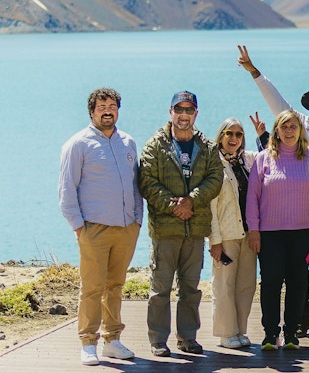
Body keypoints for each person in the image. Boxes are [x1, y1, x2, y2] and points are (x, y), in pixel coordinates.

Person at [237, 43, 309, 335]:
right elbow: (275, 101)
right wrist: (254, 72)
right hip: (301, 206)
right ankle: (303, 315)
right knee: (298, 266)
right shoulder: (298, 122)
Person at [59, 88, 142, 366]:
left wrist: (137, 220)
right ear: (92, 111)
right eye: (102, 106)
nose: (108, 110)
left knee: (115, 286)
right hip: (93, 229)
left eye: (112, 106)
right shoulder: (78, 144)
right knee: (92, 287)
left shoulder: (128, 142)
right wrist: (78, 226)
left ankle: (112, 340)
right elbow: (67, 189)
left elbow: (136, 185)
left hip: (126, 228)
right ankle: (88, 342)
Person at [138, 91, 223, 358]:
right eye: (179, 109)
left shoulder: (207, 147)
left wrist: (191, 201)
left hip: (195, 230)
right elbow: (147, 182)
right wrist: (174, 205)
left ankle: (188, 338)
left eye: (189, 110)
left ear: (196, 114)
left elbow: (215, 178)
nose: (183, 115)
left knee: (191, 290)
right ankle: (158, 340)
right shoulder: (155, 145)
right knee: (160, 290)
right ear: (170, 112)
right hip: (166, 230)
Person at [247, 109, 309, 350]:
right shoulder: (263, 158)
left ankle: (291, 334)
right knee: (270, 283)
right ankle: (271, 334)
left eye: (293, 126)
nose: (289, 131)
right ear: (276, 131)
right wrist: (254, 230)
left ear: (301, 131)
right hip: (269, 234)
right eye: (284, 126)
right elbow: (252, 198)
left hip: (302, 233)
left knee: (298, 283)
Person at [209, 115, 264, 349]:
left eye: (238, 134)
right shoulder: (212, 164)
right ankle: (226, 333)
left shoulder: (248, 160)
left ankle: (240, 330)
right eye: (229, 133)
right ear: (221, 136)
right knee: (224, 285)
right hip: (226, 235)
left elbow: (273, 154)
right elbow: (209, 207)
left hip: (248, 234)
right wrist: (214, 240)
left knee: (246, 285)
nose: (234, 138)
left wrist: (262, 135)